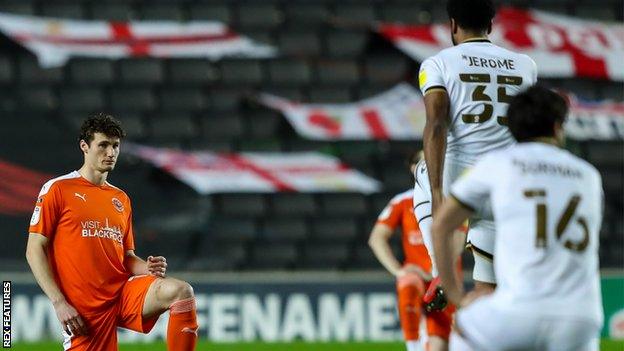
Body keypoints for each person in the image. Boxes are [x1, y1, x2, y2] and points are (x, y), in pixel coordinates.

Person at [432, 86, 603, 350]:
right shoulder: (588, 175)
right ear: (558, 127)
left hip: (520, 310)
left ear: (512, 128)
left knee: (465, 327)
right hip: (581, 318)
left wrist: (456, 294)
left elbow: (442, 225)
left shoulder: (497, 163)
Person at [25, 113, 199, 351]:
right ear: (84, 146)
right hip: (85, 309)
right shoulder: (58, 189)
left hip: (121, 294)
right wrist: (59, 302)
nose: (111, 152)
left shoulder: (120, 199)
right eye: (103, 145)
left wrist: (145, 268)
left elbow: (125, 257)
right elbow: (34, 249)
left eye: (115, 146)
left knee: (181, 291)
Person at [415, 0, 538, 300]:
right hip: (503, 184)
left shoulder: (438, 63)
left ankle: (441, 272)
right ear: (491, 26)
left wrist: (436, 194)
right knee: (487, 293)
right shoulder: (526, 65)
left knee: (421, 172)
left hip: (460, 181)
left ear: (453, 25)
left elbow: (436, 124)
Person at [369, 152, 455, 351]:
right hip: (418, 275)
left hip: (443, 277)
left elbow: (460, 237)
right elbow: (377, 238)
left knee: (440, 346)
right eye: (419, 161)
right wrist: (399, 271)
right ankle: (412, 346)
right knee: (407, 282)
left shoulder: (452, 197)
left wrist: (439, 266)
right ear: (412, 168)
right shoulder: (403, 201)